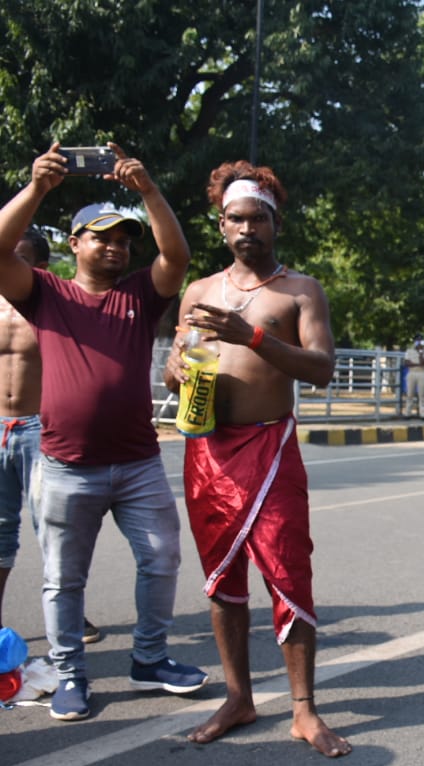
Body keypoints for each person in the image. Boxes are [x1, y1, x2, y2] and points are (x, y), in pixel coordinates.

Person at [0, 142, 207, 721]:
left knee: (162, 559)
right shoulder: (46, 293)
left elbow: (177, 256)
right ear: (74, 244)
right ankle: (70, 674)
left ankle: (150, 659)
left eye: (123, 239)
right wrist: (38, 188)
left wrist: (148, 190)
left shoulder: (140, 294)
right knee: (64, 579)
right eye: (102, 237)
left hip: (139, 463)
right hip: (66, 466)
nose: (115, 246)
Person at [163, 161, 349, 758]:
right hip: (207, 451)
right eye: (236, 219)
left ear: (275, 224)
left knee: (289, 574)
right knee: (222, 580)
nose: (248, 229)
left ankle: (304, 709)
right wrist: (173, 369)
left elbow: (322, 368)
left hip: (270, 449)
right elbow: (176, 365)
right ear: (221, 225)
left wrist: (253, 337)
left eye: (258, 218)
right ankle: (238, 697)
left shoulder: (300, 290)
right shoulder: (198, 291)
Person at [1, 229, 102, 644]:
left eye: (17, 257)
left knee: (55, 528)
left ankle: (69, 615)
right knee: (0, 529)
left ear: (40, 267)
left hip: (40, 429)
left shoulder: (52, 307)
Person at [403, 335, 424, 417]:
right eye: (417, 341)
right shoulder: (409, 350)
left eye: (421, 340)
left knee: (422, 394)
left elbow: (423, 362)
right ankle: (407, 413)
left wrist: (421, 352)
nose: (419, 342)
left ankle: (423, 414)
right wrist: (417, 364)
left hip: (422, 373)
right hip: (412, 372)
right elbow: (407, 363)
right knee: (409, 394)